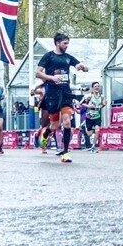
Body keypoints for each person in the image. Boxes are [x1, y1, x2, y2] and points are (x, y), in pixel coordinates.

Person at [37, 33, 87, 162]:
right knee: (54, 125)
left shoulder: (68, 57)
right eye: (65, 43)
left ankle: (65, 152)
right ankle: (46, 135)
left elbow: (78, 65)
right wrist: (52, 77)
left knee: (67, 121)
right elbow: (38, 73)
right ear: (57, 43)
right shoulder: (48, 57)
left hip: (65, 93)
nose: (67, 46)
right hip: (52, 94)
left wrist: (82, 67)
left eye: (67, 43)